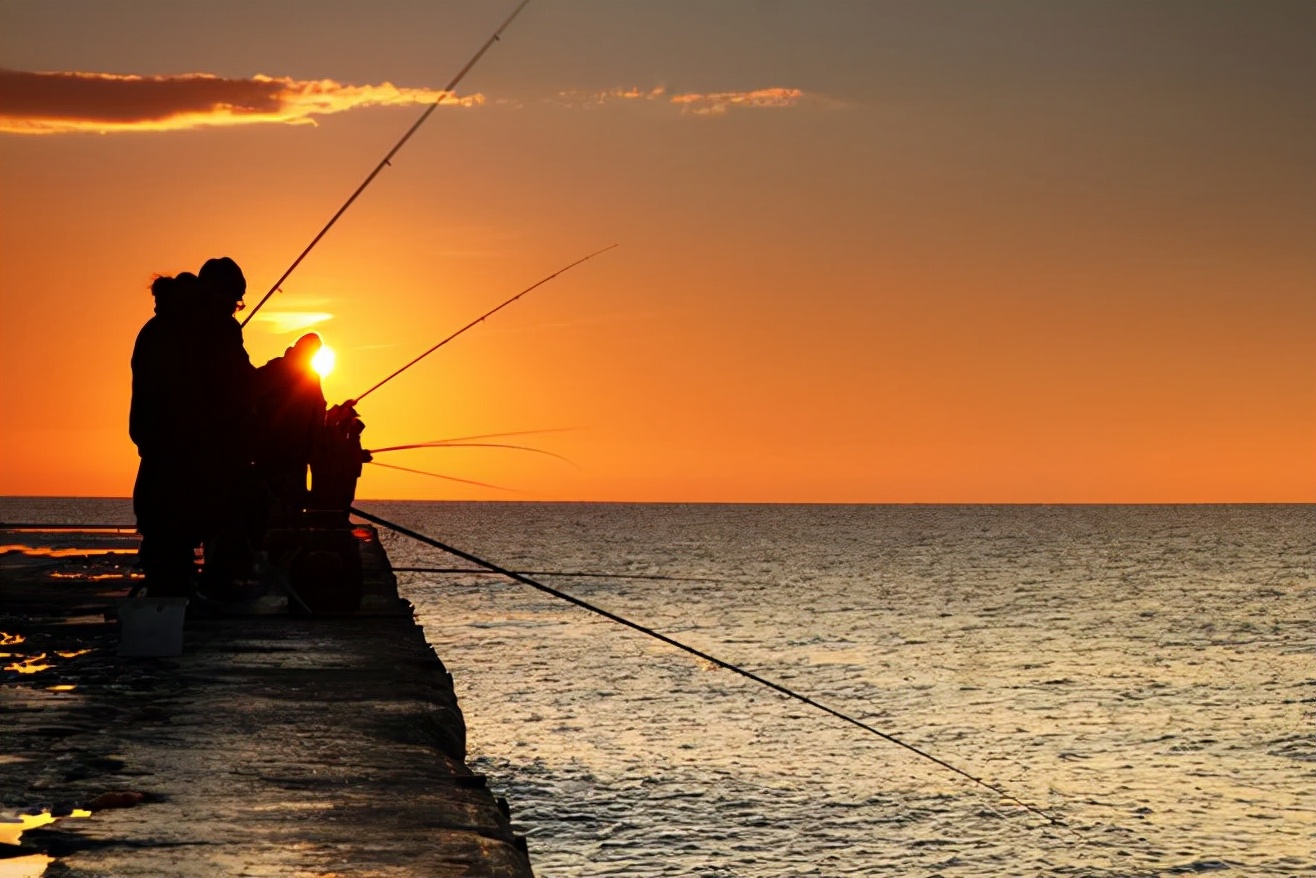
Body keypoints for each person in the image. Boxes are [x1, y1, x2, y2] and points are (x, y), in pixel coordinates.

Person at [130, 272, 205, 597]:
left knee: (164, 527)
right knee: (170, 527)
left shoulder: (157, 332)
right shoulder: (171, 336)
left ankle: (168, 588)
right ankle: (169, 595)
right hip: (170, 445)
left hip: (157, 443)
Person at [252, 332, 326, 527]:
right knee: (281, 502)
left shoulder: (285, 370)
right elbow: (318, 410)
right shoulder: (281, 370)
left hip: (289, 451)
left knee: (286, 502)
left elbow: (318, 409)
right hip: (279, 450)